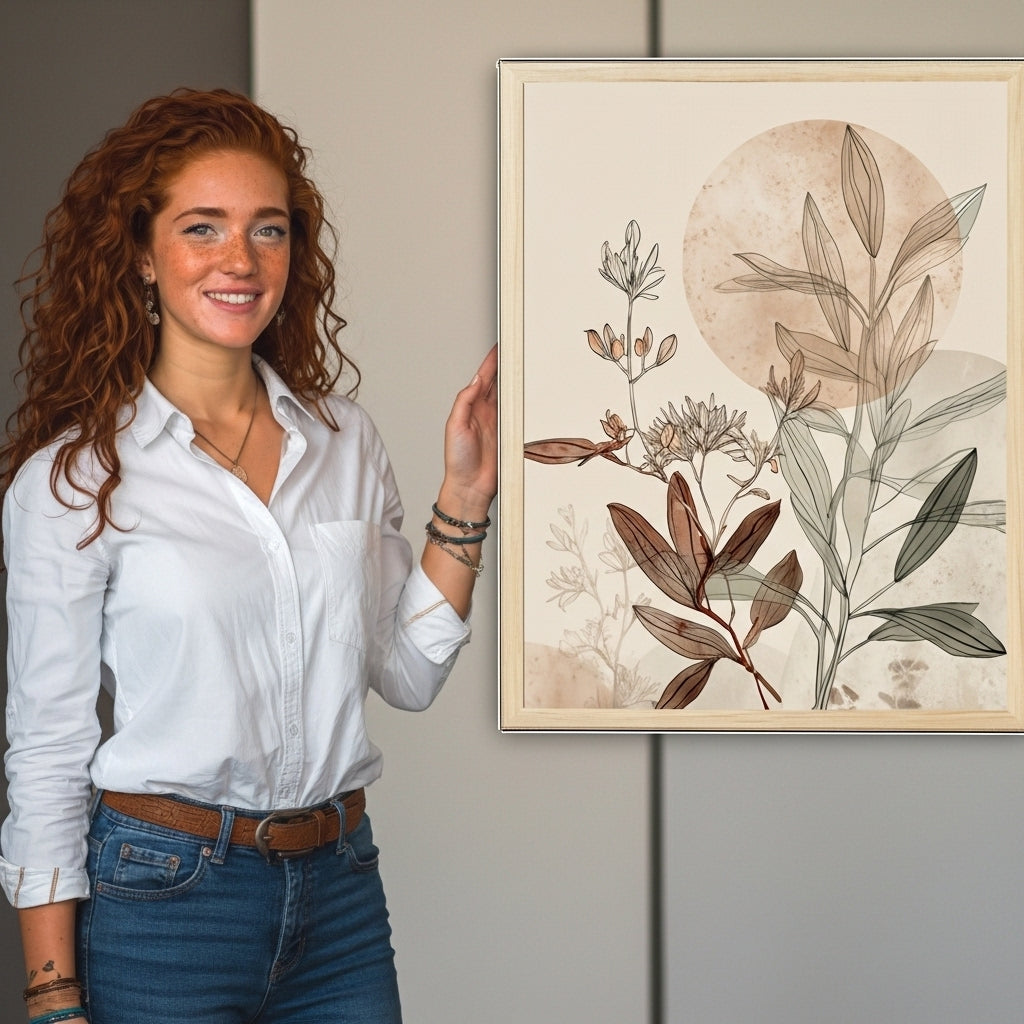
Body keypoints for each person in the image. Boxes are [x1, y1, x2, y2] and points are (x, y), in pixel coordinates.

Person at [0, 88, 497, 1024]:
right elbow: (49, 751)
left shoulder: (345, 440)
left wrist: (465, 497)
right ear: (141, 255)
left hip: (341, 895)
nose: (240, 260)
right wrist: (53, 994)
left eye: (267, 230)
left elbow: (408, 672)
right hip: (163, 905)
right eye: (203, 228)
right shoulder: (73, 479)